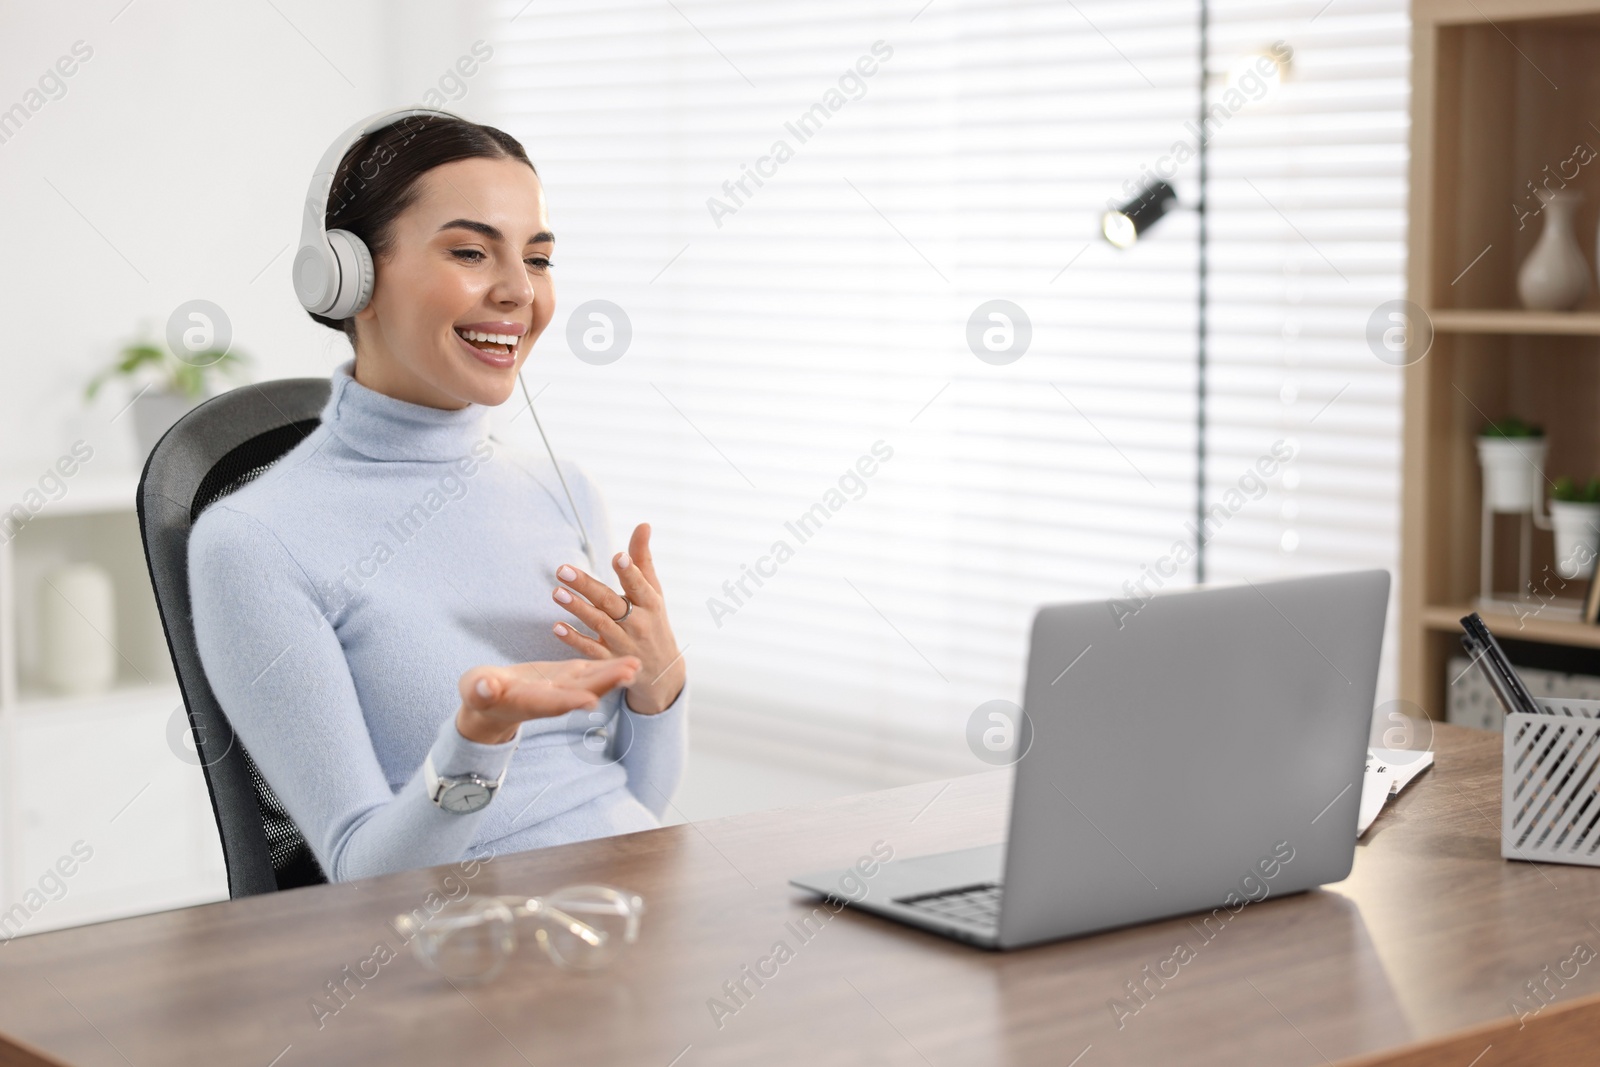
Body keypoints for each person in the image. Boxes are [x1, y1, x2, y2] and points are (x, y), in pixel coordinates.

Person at [188, 113, 688, 883]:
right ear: (348, 275)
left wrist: (659, 689)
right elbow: (364, 877)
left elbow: (625, 812)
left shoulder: (563, 491)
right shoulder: (253, 540)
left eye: (539, 258)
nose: (519, 291)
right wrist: (479, 739)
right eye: (468, 251)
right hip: (454, 959)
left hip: (617, 920)